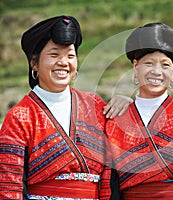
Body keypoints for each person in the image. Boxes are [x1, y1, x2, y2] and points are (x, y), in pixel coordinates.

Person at [0, 15, 131, 199]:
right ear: (34, 63)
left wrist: (130, 107)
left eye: (70, 55)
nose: (63, 62)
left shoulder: (94, 106)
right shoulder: (20, 117)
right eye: (54, 55)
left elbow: (114, 169)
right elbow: (8, 186)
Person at [104, 22, 173, 200]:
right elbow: (109, 180)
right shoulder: (115, 118)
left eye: (165, 65)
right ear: (135, 66)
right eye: (149, 63)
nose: (156, 72)